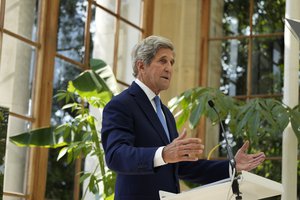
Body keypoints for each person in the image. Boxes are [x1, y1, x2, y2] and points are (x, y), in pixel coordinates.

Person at [101, 35, 265, 200]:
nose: (169, 68)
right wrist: (163, 154)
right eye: (162, 61)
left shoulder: (165, 114)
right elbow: (116, 155)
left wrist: (232, 166)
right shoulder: (121, 105)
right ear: (141, 65)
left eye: (171, 63)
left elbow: (182, 167)